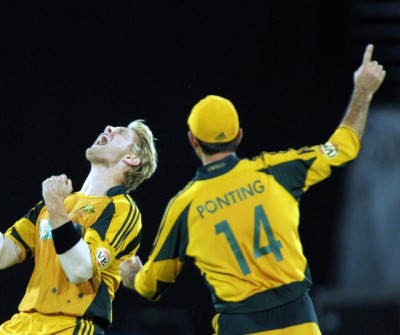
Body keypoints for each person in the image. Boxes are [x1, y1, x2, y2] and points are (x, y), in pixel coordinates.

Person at [120, 44, 385, 335]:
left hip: (240, 326)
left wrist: (133, 276)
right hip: (301, 323)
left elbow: (152, 286)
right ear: (239, 136)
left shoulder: (186, 205)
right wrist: (363, 91)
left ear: (192, 140)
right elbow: (343, 147)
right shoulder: (277, 170)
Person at [0, 120, 157, 335]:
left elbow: (80, 270)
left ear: (132, 159)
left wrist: (55, 205)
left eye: (120, 132)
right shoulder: (56, 201)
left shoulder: (121, 209)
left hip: (71, 325)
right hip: (22, 324)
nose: (108, 128)